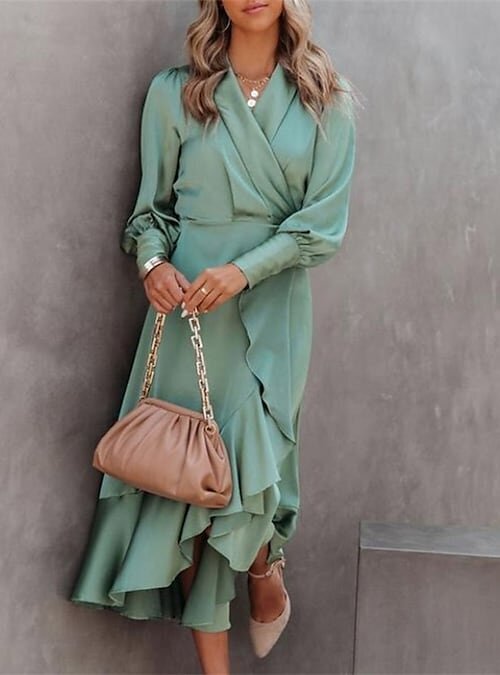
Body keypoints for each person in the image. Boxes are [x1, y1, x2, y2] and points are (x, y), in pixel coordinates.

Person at [69, 0, 359, 672]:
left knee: (248, 485)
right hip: (187, 315)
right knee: (189, 496)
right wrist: (152, 266)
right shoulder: (176, 93)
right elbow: (151, 213)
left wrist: (244, 271)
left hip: (271, 312)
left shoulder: (327, 100)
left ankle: (264, 565)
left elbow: (322, 227)